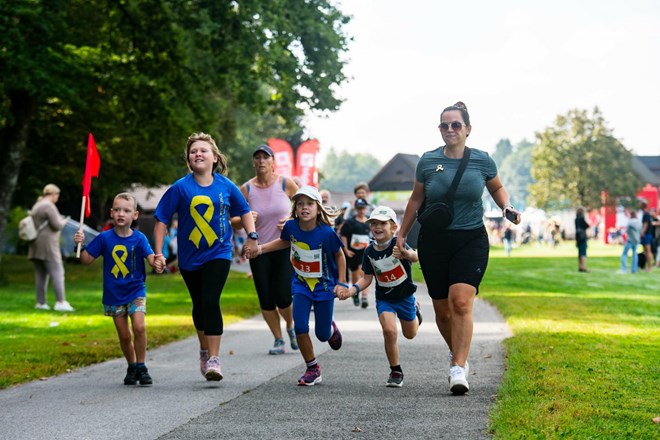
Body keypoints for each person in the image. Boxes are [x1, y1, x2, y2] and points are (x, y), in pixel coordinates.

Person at [395, 101, 520, 395]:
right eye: (444, 125)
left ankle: (456, 368)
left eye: (455, 125)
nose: (449, 130)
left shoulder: (482, 160)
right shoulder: (427, 161)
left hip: (470, 238)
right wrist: (401, 234)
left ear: (467, 129)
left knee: (461, 301)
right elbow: (415, 200)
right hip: (434, 241)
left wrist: (506, 206)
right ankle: (459, 358)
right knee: (443, 311)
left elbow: (496, 187)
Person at [152, 132, 258, 382]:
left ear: (214, 157)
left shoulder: (225, 186)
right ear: (189, 160)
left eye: (203, 150)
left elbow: (244, 211)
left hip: (219, 252)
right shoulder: (180, 188)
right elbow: (161, 220)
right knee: (199, 306)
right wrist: (158, 253)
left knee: (211, 301)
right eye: (193, 151)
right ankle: (203, 350)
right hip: (190, 257)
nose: (197, 154)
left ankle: (214, 358)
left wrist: (252, 236)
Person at [248, 186, 346, 386]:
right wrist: (260, 249)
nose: (304, 207)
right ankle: (312, 368)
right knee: (300, 327)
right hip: (301, 285)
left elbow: (339, 255)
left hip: (324, 287)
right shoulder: (291, 227)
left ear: (318, 208)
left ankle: (330, 328)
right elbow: (284, 242)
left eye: (309, 203)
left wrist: (342, 283)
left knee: (322, 334)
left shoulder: (326, 233)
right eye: (300, 203)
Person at [73, 193, 161, 386]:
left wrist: (158, 261)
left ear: (135, 215)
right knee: (124, 335)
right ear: (111, 212)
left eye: (126, 210)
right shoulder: (104, 238)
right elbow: (86, 260)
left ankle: (141, 365)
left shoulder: (139, 238)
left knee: (139, 327)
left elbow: (150, 258)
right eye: (118, 210)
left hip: (136, 291)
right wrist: (79, 244)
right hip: (114, 294)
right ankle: (131, 367)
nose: (121, 214)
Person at [336, 205, 422, 387]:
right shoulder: (369, 252)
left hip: (405, 296)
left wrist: (406, 254)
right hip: (385, 299)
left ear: (393, 227)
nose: (377, 227)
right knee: (389, 331)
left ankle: (415, 310)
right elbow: (366, 279)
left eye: (383, 223)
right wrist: (351, 291)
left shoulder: (398, 243)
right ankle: (395, 370)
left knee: (410, 334)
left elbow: (415, 258)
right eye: (374, 223)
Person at [236, 144, 299, 355]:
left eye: (265, 157)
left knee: (283, 296)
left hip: (283, 247)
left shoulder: (285, 183)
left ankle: (290, 326)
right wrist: (244, 219)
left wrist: (292, 220)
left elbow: (306, 207)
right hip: (258, 249)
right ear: (253, 162)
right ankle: (278, 339)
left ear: (273, 162)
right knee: (265, 297)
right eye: (257, 158)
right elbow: (231, 220)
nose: (261, 161)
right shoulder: (246, 189)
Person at [28, 184, 74, 312]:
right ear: (54, 194)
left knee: (40, 274)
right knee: (57, 272)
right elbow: (57, 225)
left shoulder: (37, 204)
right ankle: (60, 302)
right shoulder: (49, 206)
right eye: (57, 195)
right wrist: (64, 221)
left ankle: (40, 302)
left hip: (35, 243)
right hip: (48, 245)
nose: (57, 198)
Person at [340, 198, 371, 308]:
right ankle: (355, 293)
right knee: (354, 274)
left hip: (365, 253)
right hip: (353, 253)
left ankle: (365, 296)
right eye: (359, 208)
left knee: (364, 273)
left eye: (363, 208)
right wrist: (346, 249)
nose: (361, 210)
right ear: (356, 209)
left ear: (366, 208)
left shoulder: (370, 222)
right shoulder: (350, 222)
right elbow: (343, 235)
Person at [620, 209, 641, 274]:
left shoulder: (630, 222)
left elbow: (627, 231)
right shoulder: (639, 222)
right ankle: (634, 269)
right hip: (636, 240)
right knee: (635, 254)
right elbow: (640, 230)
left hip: (630, 240)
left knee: (624, 254)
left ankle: (624, 269)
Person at [639, 200, 654, 272]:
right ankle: (645, 266)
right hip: (648, 234)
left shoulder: (645, 214)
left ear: (643, 205)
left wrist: (641, 233)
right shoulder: (647, 214)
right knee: (646, 251)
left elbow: (645, 225)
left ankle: (649, 268)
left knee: (648, 251)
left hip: (646, 235)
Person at [575, 208, 590, 272]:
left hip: (578, 237)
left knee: (579, 253)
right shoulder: (581, 219)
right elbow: (587, 225)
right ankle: (583, 267)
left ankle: (580, 266)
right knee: (583, 253)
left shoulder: (576, 219)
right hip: (582, 237)